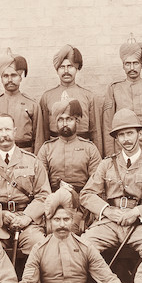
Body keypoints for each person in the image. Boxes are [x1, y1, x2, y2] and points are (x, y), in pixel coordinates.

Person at [13, 188, 130, 283]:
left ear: (72, 219)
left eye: (66, 219)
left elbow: (108, 278)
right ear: (49, 221)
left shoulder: (86, 247)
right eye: (57, 220)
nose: (61, 224)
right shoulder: (39, 248)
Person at [80, 109, 142, 258]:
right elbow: (86, 194)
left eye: (130, 133)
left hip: (140, 225)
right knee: (85, 246)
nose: (126, 139)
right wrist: (107, 211)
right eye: (121, 135)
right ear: (116, 138)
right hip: (109, 223)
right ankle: (102, 282)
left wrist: (136, 212)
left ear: (139, 134)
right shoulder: (106, 164)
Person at [0, 113, 50, 255]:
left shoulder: (32, 161)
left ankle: (31, 277)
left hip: (26, 221)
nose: (4, 134)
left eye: (7, 129)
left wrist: (26, 217)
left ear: (14, 131)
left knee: (37, 244)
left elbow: (44, 195)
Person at [37, 99, 102, 232]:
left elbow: (97, 184)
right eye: (60, 119)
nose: (65, 124)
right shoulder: (47, 149)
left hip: (80, 205)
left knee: (71, 228)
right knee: (50, 229)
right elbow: (40, 184)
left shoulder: (89, 148)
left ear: (77, 121)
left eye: (69, 119)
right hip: (52, 203)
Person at [103, 34, 142, 154]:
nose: (132, 68)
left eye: (136, 63)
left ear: (141, 65)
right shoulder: (114, 89)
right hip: (122, 144)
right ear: (123, 66)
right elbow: (108, 125)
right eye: (128, 64)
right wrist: (110, 154)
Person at [39, 44, 100, 152]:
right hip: (55, 151)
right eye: (62, 67)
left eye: (70, 66)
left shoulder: (88, 96)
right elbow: (43, 133)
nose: (66, 71)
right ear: (57, 70)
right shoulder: (47, 97)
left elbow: (95, 132)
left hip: (82, 151)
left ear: (76, 69)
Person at [0, 48, 44, 153]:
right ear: (1, 79)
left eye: (14, 75)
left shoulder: (32, 105)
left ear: (20, 78)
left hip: (25, 153)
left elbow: (39, 139)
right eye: (6, 76)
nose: (10, 80)